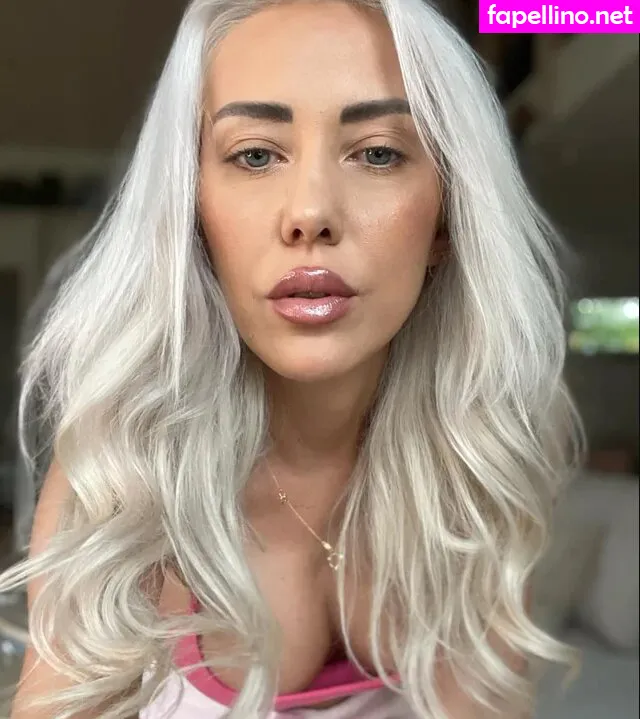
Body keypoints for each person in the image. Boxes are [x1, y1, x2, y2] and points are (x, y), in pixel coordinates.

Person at [0, 0, 583, 717]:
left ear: (448, 217)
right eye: (255, 154)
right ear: (192, 210)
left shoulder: (477, 457)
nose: (310, 213)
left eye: (378, 152)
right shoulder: (125, 473)